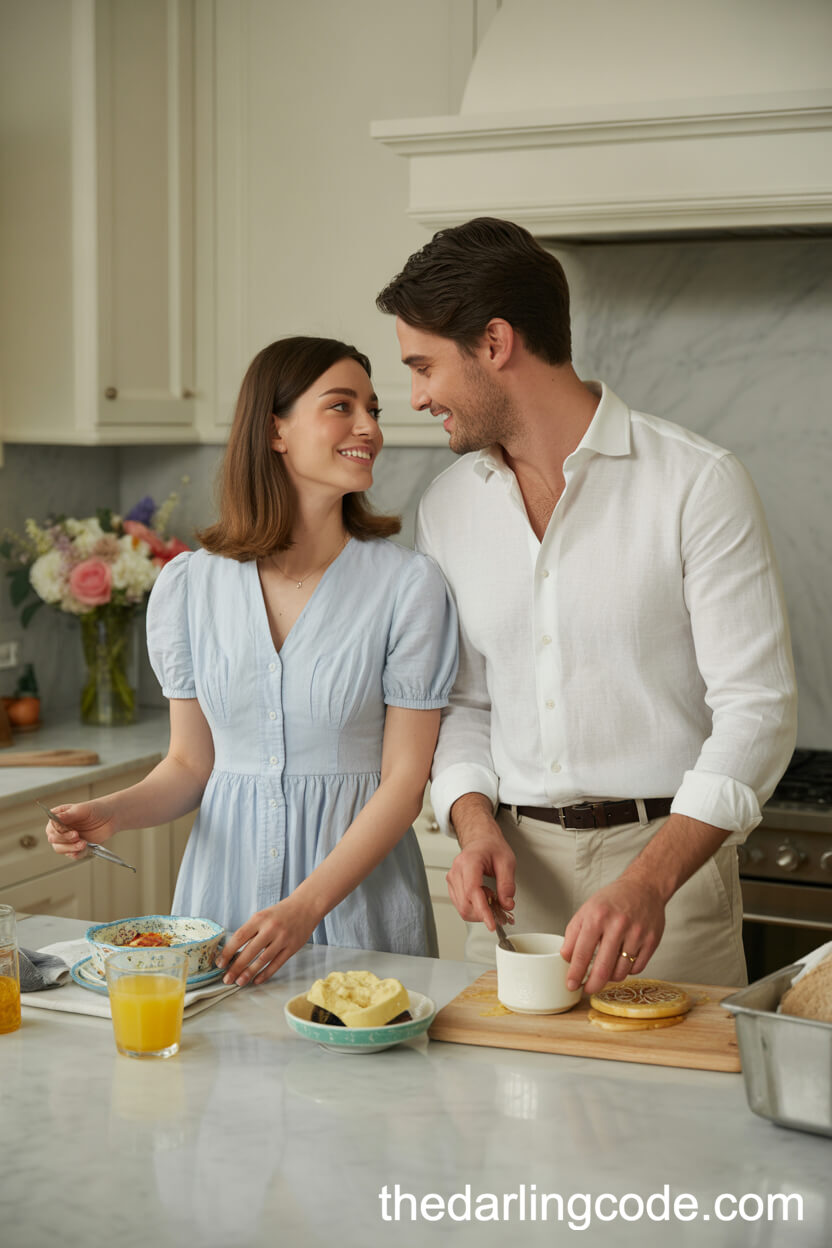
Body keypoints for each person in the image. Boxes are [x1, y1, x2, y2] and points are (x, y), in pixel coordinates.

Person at [376, 217, 797, 993]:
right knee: (505, 1108)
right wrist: (471, 827)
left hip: (668, 882)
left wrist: (648, 881)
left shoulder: (696, 483)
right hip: (512, 889)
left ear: (495, 343)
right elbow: (464, 702)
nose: (418, 396)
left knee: (675, 1110)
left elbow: (758, 711)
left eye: (424, 366)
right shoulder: (448, 508)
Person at [46, 336, 458, 985]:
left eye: (372, 409)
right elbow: (190, 764)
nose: (370, 428)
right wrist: (114, 812)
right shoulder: (189, 585)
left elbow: (404, 785)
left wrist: (304, 908)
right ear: (275, 430)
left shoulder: (408, 586)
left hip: (358, 908)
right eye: (342, 406)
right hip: (222, 907)